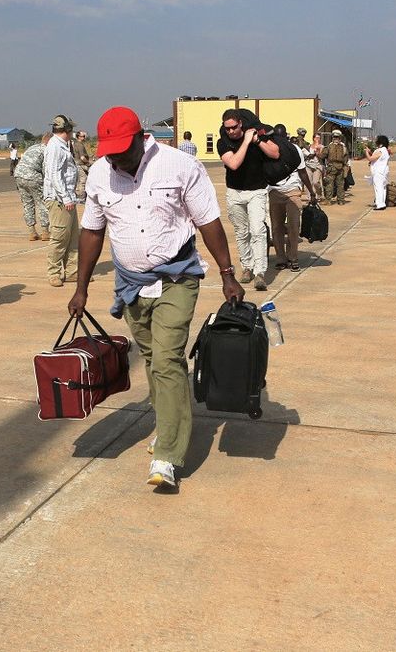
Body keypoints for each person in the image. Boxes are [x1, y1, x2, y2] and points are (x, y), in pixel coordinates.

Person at [67, 106, 244, 490]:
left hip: (177, 278)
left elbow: (207, 221)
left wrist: (228, 275)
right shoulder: (99, 174)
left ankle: (168, 454)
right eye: (108, 150)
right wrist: (81, 287)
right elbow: (92, 231)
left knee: (165, 358)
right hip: (130, 283)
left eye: (120, 148)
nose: (114, 157)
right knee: (152, 358)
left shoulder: (179, 165)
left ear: (139, 137)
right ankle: (169, 421)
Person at [218, 108, 281, 291]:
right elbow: (234, 163)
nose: (231, 131)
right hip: (235, 192)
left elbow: (275, 153)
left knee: (258, 230)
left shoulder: (255, 136)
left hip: (257, 191)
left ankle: (260, 272)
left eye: (234, 127)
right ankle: (247, 266)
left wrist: (257, 141)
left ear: (241, 124)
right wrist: (246, 141)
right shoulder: (223, 143)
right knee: (241, 232)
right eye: (227, 128)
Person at [267, 124, 318, 271]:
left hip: (293, 192)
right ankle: (281, 259)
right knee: (276, 227)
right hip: (274, 192)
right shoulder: (268, 150)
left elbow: (302, 172)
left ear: (286, 138)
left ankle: (293, 258)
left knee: (294, 226)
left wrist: (311, 192)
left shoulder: (294, 150)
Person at [43, 114, 80, 287]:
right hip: (59, 200)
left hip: (68, 198)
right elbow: (54, 174)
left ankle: (72, 272)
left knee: (72, 238)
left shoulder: (62, 145)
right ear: (67, 130)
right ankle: (54, 273)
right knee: (59, 238)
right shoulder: (55, 147)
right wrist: (65, 197)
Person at [14, 135, 50, 241]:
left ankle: (32, 231)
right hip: (33, 176)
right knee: (42, 203)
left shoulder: (32, 147)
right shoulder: (47, 150)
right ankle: (45, 231)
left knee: (27, 204)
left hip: (19, 175)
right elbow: (45, 169)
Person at [361, 135, 391, 211]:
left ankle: (380, 204)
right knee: (382, 188)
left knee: (378, 188)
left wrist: (366, 152)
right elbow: (376, 157)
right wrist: (370, 151)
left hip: (379, 172)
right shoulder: (384, 150)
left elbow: (370, 158)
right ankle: (382, 203)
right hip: (383, 172)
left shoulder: (381, 150)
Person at [321, 129, 349, 206]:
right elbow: (346, 158)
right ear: (340, 138)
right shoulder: (344, 147)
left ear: (333, 138)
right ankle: (341, 201)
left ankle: (328, 200)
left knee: (329, 184)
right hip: (341, 168)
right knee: (340, 185)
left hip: (331, 167)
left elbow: (323, 156)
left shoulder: (329, 147)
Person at [73, 130, 92, 203]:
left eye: (84, 136)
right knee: (83, 181)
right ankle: (81, 198)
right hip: (81, 164)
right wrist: (88, 164)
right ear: (78, 137)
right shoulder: (80, 145)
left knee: (81, 181)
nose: (84, 137)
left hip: (78, 164)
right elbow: (82, 157)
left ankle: (82, 197)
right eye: (82, 136)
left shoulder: (75, 144)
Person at [303, 132, 324, 199]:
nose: (318, 139)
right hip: (308, 166)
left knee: (315, 182)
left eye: (319, 138)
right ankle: (310, 197)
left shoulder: (322, 147)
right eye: (316, 138)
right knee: (308, 182)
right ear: (313, 138)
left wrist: (318, 149)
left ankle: (319, 194)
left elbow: (322, 156)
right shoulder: (308, 146)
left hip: (317, 166)